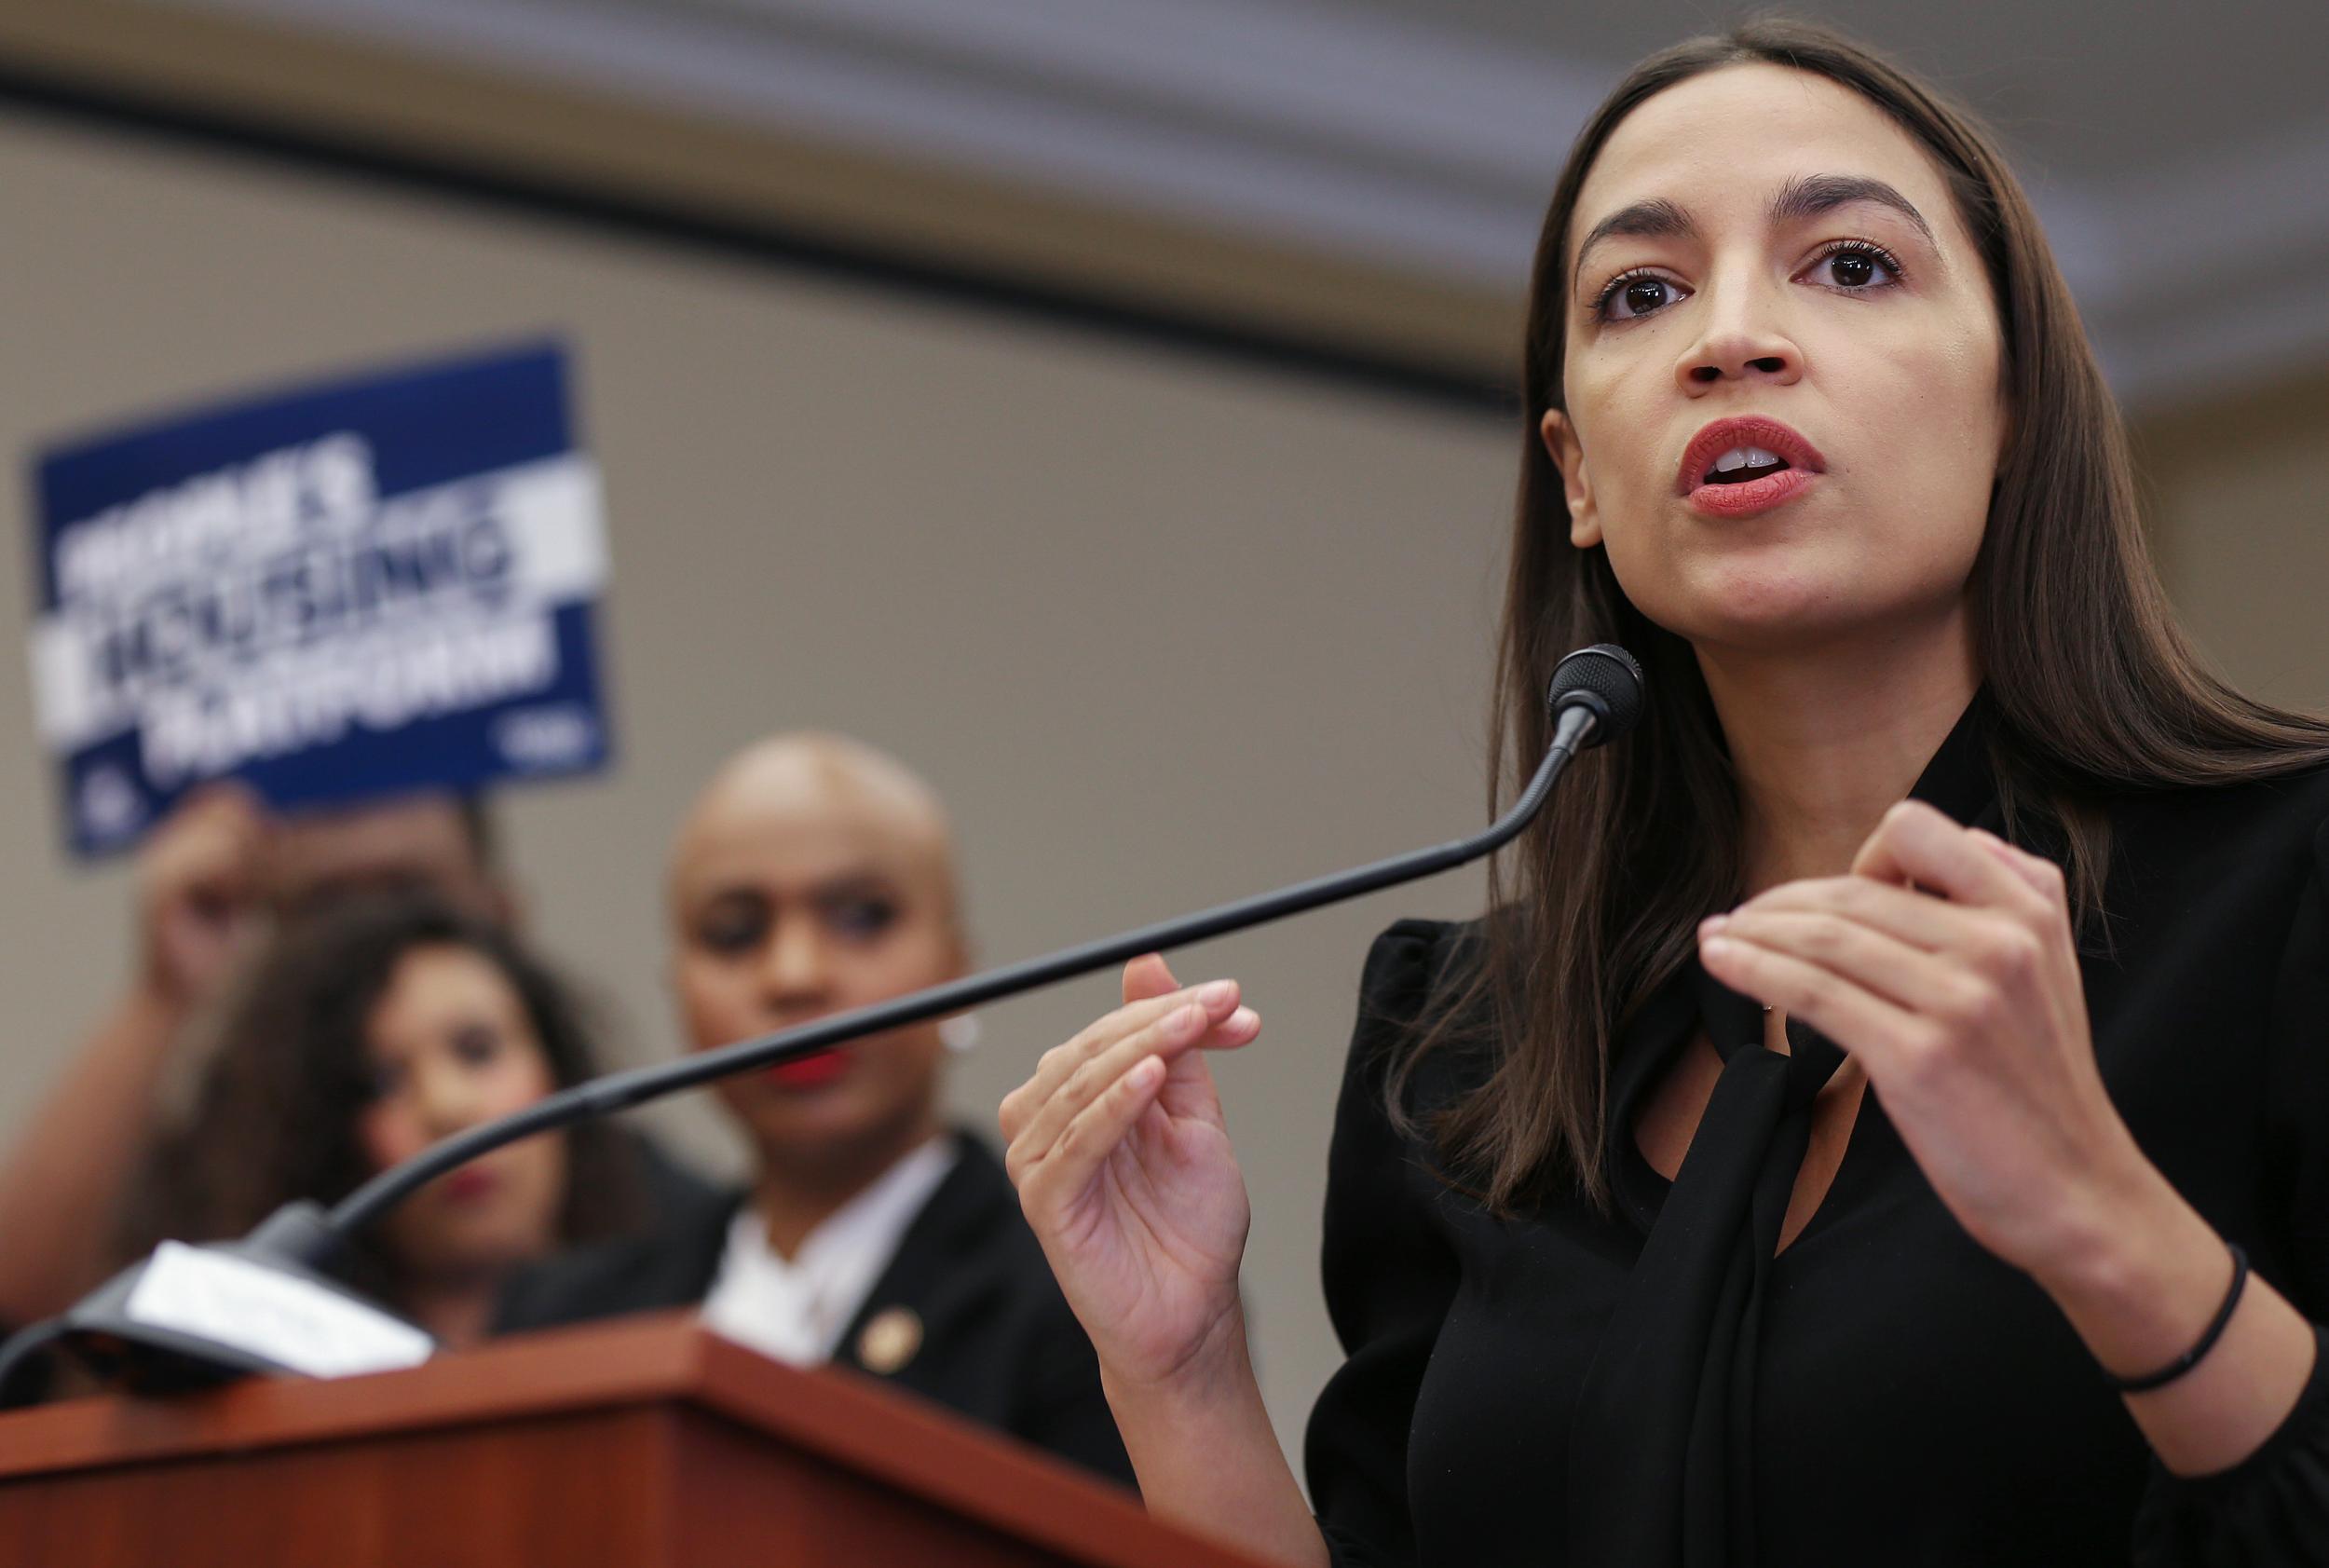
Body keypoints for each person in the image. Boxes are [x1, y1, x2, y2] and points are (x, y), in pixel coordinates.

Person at [999, 19, 2329, 1568]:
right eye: (1642, 293)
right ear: (1576, 470)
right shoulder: (1463, 1043)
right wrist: (1181, 1375)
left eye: (1848, 265)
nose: (1730, 338)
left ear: (2020, 402)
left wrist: (2102, 1214)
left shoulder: (2287, 886)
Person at [495, 734, 1136, 1487]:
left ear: (959, 967)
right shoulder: (572, 1317)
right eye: (736, 932)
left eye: (862, 917)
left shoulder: (1084, 1299)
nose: (795, 975)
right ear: (679, 988)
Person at [0, 784, 518, 1332]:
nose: (371, 941)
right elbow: (17, 1331)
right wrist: (166, 996)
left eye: (405, 894)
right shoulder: (208, 1184)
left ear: (499, 913)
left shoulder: (600, 1166)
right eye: (328, 906)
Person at [130, 890, 650, 1350]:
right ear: (330, 1144)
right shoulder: (285, 1380)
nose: (447, 1108)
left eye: (477, 1050)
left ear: (554, 1066)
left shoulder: (693, 1288)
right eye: (381, 1084)